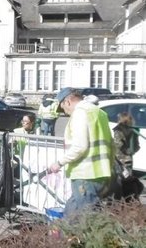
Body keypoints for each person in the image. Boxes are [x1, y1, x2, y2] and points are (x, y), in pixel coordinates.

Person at [49, 87, 114, 218]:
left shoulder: (80, 113)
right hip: (101, 173)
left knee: (87, 218)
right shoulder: (99, 112)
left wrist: (59, 163)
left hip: (85, 173)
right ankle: (65, 237)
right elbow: (111, 144)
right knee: (71, 214)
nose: (65, 112)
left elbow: (79, 146)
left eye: (63, 108)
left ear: (67, 102)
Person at [113, 112, 140, 179]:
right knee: (128, 177)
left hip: (119, 159)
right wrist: (130, 151)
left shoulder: (118, 130)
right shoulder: (134, 130)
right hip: (128, 158)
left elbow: (118, 144)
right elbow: (137, 146)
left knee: (120, 178)